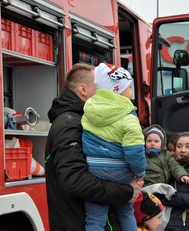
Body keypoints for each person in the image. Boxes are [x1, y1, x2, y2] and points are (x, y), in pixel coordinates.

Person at [45, 63, 140, 231]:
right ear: (83, 90)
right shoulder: (69, 124)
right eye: (100, 85)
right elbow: (74, 180)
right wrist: (126, 191)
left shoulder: (87, 119)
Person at [81, 62, 146, 231]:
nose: (131, 92)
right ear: (117, 89)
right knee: (126, 211)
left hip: (94, 171)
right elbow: (134, 151)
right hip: (121, 173)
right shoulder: (128, 114)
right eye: (129, 88)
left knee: (95, 220)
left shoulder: (89, 109)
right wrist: (139, 174)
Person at [157, 132, 189, 230]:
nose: (183, 150)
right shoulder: (167, 166)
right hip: (165, 224)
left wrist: (166, 196)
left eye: (188, 147)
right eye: (179, 146)